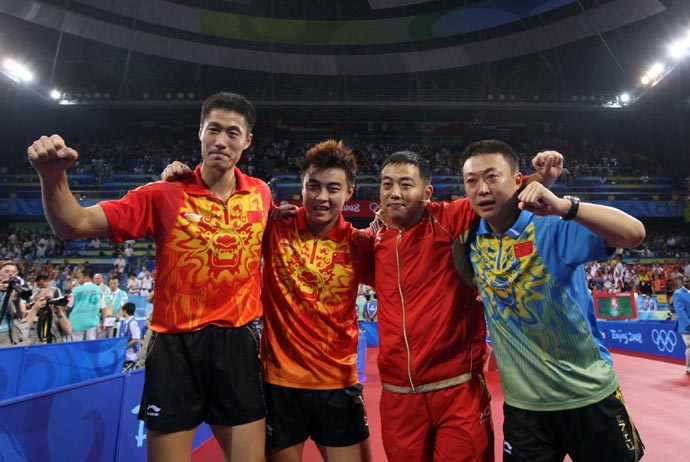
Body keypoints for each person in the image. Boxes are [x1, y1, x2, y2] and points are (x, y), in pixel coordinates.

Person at [27, 92, 271, 462]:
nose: (221, 141)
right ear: (200, 132)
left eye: (232, 133)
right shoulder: (163, 194)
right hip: (175, 348)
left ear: (247, 140)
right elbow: (74, 224)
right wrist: (52, 176)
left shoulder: (261, 194)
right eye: (214, 129)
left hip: (237, 345)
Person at [163, 139, 374, 462]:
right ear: (301, 187)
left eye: (333, 189)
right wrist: (188, 178)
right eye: (313, 186)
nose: (321, 197)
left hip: (338, 385)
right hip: (279, 385)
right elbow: (219, 213)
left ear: (349, 192)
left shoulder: (360, 244)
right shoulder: (274, 226)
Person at [370, 149, 562, 462]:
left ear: (427, 193)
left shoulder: (451, 218)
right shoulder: (374, 241)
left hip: (457, 389)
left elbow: (501, 195)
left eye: (405, 185)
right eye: (387, 184)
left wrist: (546, 177)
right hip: (398, 397)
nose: (394, 193)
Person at [461, 139, 645, 462]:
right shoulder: (470, 238)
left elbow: (634, 233)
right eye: (471, 180)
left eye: (492, 177)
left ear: (518, 180)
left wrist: (564, 206)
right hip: (525, 411)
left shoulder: (551, 227)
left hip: (589, 396)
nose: (482, 189)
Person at [67, 267, 105, 341]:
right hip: (92, 324)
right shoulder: (99, 290)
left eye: (80, 278)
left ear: (86, 278)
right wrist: (103, 322)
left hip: (76, 324)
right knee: (90, 346)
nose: (79, 280)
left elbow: (68, 306)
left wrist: (67, 317)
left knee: (76, 346)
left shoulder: (75, 290)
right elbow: (103, 308)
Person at [0, 261, 29, 347]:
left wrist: (17, 301)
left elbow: (22, 315)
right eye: (7, 271)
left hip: (7, 332)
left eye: (13, 272)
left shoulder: (16, 289)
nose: (10, 274)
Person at [674, 276, 690, 374]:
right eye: (686, 281)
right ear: (683, 283)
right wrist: (688, 323)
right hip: (686, 326)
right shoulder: (678, 294)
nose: (688, 283)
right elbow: (680, 311)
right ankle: (689, 367)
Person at [120, 302, 141, 372]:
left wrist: (125, 347)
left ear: (125, 311)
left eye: (122, 310)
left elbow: (135, 339)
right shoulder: (125, 322)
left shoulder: (132, 323)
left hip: (132, 355)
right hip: (126, 355)